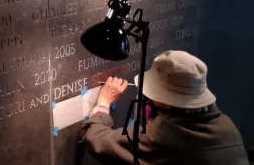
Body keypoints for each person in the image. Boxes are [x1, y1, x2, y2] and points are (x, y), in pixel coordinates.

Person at [80, 50, 249, 165]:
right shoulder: (226, 125)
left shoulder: (164, 135)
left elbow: (97, 141)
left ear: (166, 98)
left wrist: (103, 104)